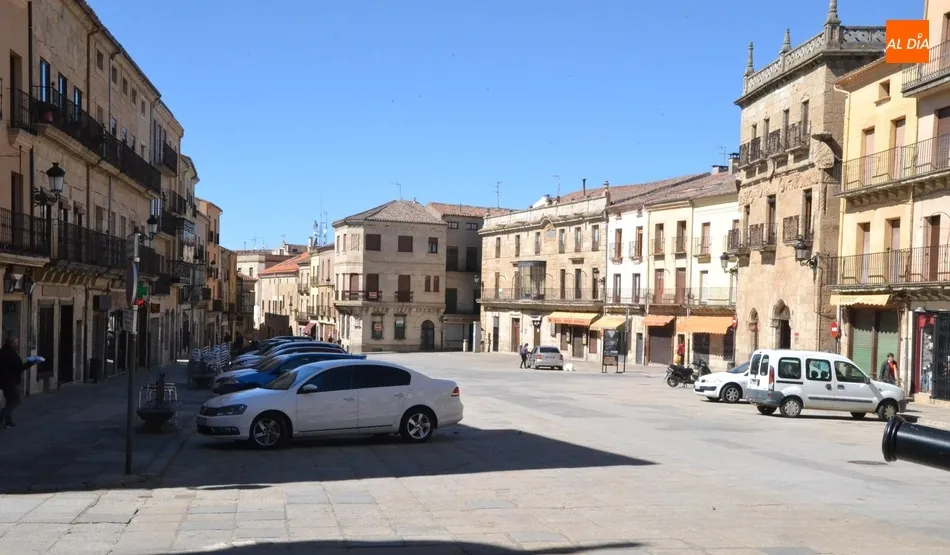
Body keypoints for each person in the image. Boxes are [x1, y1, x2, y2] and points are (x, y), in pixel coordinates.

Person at [0, 334, 38, 428]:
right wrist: (31, 363)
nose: (17, 344)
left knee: (9, 401)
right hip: (11, 381)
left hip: (4, 381)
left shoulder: (2, 351)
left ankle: (8, 421)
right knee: (17, 400)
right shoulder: (11, 353)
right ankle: (2, 414)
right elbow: (19, 367)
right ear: (11, 342)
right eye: (16, 342)